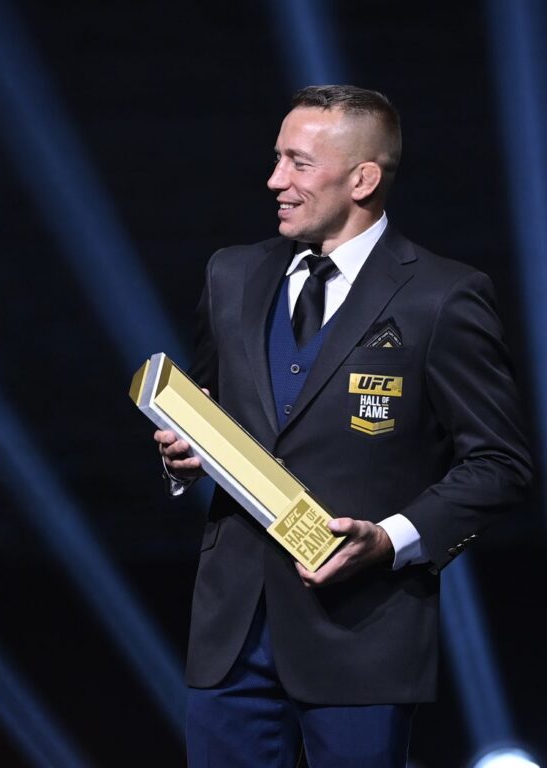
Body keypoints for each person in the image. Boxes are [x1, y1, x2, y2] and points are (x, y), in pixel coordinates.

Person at [155, 85, 530, 767]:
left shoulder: (442, 296)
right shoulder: (232, 273)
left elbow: (501, 465)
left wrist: (390, 541)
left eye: (298, 163)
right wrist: (185, 453)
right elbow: (216, 409)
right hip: (230, 632)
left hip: (362, 633)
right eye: (276, 159)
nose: (275, 181)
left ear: (362, 179)